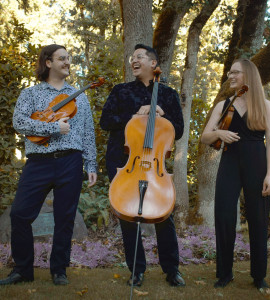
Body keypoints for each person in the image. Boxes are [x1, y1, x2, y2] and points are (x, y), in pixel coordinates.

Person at [0, 44, 97, 286]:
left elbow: (88, 133)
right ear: (48, 63)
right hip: (39, 162)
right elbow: (19, 122)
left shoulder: (80, 95)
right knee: (20, 214)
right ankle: (22, 270)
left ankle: (59, 270)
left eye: (68, 58)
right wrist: (53, 127)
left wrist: (91, 164)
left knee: (65, 218)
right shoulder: (30, 93)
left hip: (70, 161)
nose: (67, 62)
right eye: (62, 58)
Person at [100, 44, 185, 287]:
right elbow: (105, 121)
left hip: (154, 166)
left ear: (153, 64)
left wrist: (161, 114)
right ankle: (136, 271)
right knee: (127, 215)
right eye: (132, 57)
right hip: (123, 161)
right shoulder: (121, 91)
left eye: (139, 57)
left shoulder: (168, 95)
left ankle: (172, 270)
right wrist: (135, 117)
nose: (133, 61)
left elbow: (177, 130)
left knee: (163, 215)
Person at [201, 58, 270, 290]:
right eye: (229, 73)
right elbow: (205, 137)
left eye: (235, 72)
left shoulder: (265, 105)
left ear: (249, 76)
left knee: (258, 220)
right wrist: (220, 134)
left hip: (257, 163)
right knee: (224, 216)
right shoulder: (224, 104)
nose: (230, 76)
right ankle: (224, 274)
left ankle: (259, 276)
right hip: (229, 162)